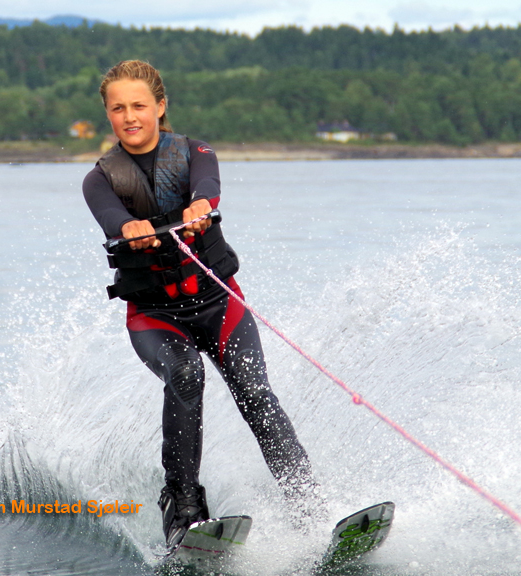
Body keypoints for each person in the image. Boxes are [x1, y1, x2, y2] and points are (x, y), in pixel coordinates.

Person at [82, 60, 323, 549]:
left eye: (139, 106)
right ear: (108, 114)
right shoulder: (99, 180)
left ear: (160, 106)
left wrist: (200, 206)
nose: (129, 116)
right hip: (155, 316)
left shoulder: (196, 152)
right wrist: (129, 227)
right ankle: (183, 508)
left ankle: (309, 506)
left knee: (255, 392)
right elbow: (110, 216)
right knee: (186, 374)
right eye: (118, 108)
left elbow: (207, 186)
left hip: (218, 304)